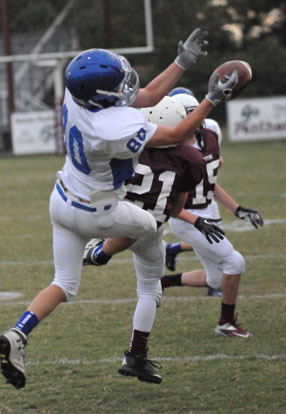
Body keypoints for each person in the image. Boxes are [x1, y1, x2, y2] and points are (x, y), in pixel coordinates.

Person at [0, 29, 238, 389]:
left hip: (61, 199)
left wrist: (182, 62)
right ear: (102, 95)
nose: (125, 86)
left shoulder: (75, 95)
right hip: (99, 212)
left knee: (63, 283)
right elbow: (175, 135)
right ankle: (100, 253)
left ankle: (17, 334)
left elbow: (149, 95)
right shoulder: (114, 127)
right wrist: (210, 99)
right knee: (152, 228)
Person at [83, 95, 225, 384]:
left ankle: (96, 248)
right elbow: (176, 208)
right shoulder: (193, 159)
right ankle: (136, 356)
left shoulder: (129, 147)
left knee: (97, 202)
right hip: (151, 227)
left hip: (116, 217)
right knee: (149, 291)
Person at [163, 92, 264, 338]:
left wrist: (237, 209)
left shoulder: (210, 134)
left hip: (208, 211)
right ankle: (226, 323)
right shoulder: (169, 150)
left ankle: (161, 283)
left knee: (218, 280)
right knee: (235, 262)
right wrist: (197, 221)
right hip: (186, 217)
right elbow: (172, 206)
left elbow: (209, 183)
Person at [166, 87, 223, 296]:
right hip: (183, 205)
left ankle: (172, 253)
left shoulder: (210, 129)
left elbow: (217, 163)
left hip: (205, 198)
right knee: (229, 260)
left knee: (215, 248)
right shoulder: (167, 139)